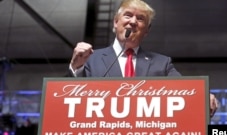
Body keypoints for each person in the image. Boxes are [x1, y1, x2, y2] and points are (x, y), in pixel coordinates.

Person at [67, 0, 218, 117]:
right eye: (128, 15)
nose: (133, 22)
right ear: (115, 22)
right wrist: (75, 68)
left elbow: (184, 89)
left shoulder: (162, 64)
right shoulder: (91, 58)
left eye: (140, 19)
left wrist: (202, 96)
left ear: (146, 30)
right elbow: (68, 99)